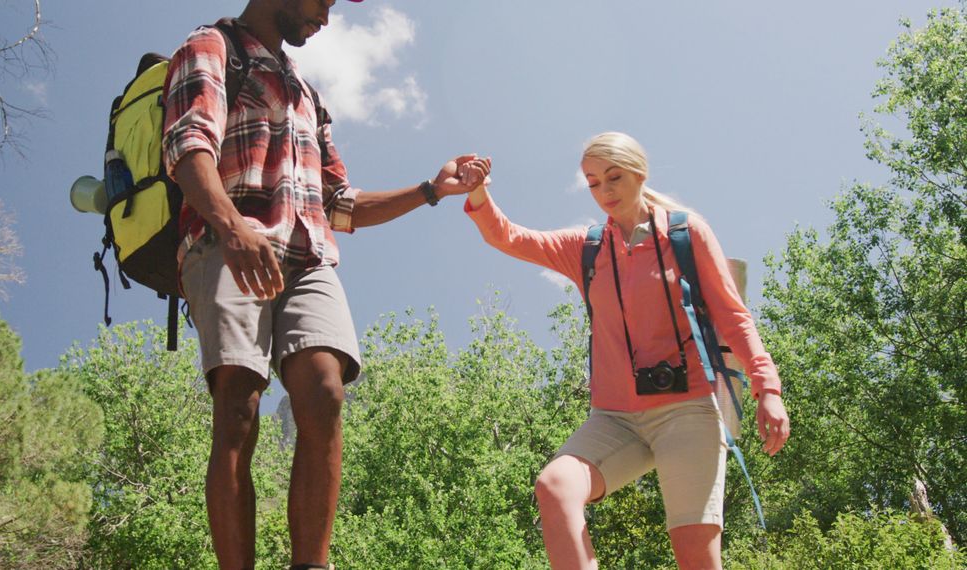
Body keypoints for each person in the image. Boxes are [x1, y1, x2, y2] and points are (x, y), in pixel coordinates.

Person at [161, 1, 490, 568]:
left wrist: (431, 189)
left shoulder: (308, 96)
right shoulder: (213, 46)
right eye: (324, 1)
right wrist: (233, 228)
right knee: (239, 402)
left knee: (325, 393)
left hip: (309, 257)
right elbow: (187, 147)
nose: (327, 18)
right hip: (228, 242)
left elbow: (341, 205)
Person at [463, 132, 790, 570]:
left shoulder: (685, 232)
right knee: (555, 485)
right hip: (614, 416)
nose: (605, 191)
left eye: (613, 177)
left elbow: (734, 316)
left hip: (688, 409)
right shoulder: (586, 247)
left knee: (696, 557)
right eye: (594, 182)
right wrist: (478, 192)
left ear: (640, 173)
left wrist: (767, 388)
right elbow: (508, 237)